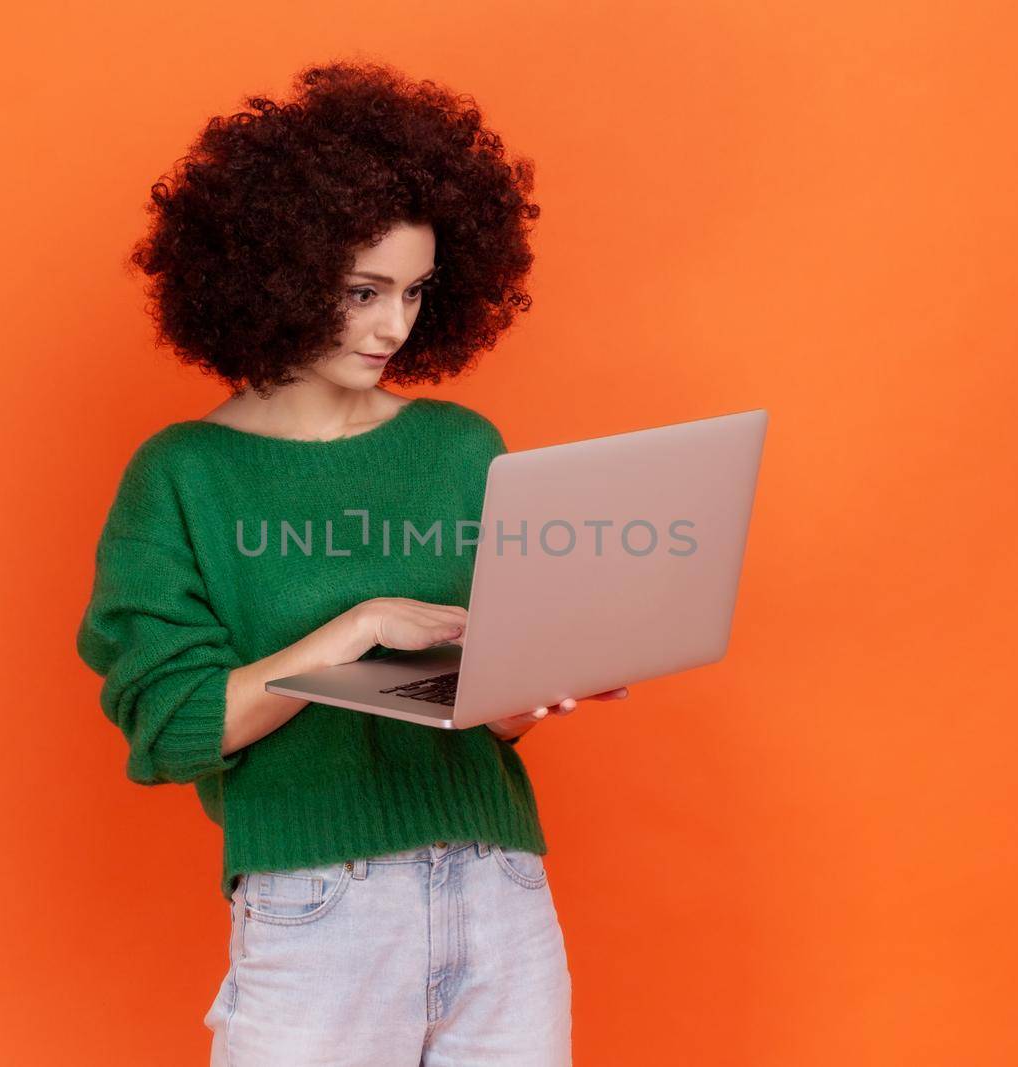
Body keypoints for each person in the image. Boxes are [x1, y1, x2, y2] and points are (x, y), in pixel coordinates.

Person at [75, 60, 628, 1065]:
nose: (393, 326)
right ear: (274, 279)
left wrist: (545, 673)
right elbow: (170, 726)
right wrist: (354, 630)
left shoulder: (462, 447)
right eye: (363, 291)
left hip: (499, 893)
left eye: (416, 291)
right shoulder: (185, 475)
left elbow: (482, 705)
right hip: (321, 909)